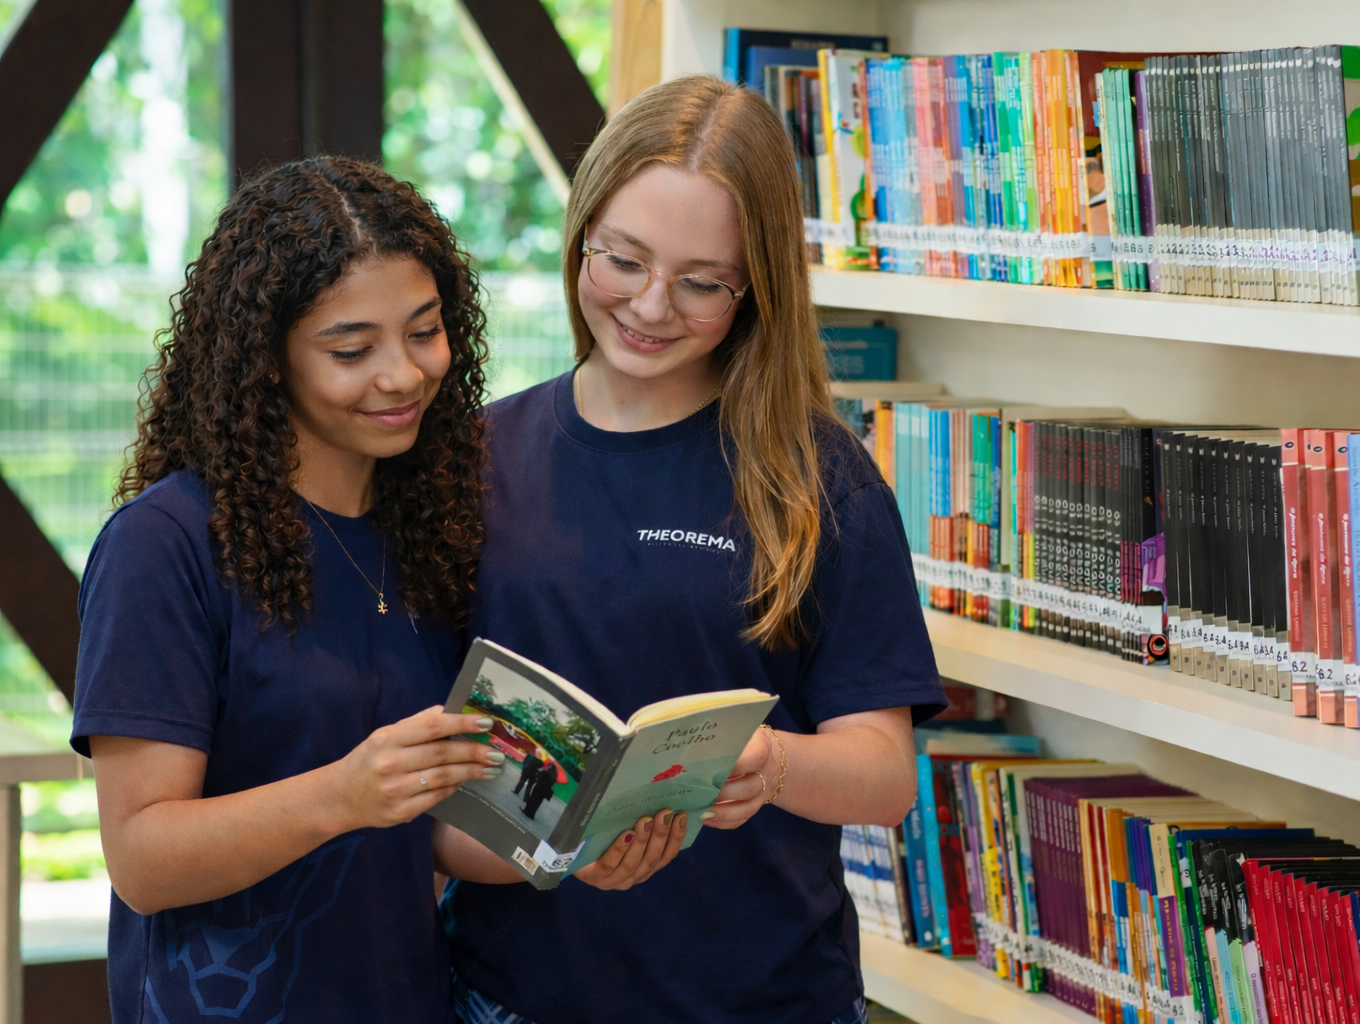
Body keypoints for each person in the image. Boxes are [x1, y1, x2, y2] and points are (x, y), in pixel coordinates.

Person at [435, 75, 946, 1024]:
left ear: (757, 289)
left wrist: (773, 766)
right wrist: (556, 848)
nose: (650, 305)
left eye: (703, 282)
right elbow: (426, 775)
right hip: (516, 994)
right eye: (622, 260)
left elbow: (883, 776)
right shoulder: (471, 463)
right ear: (581, 230)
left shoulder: (815, 476)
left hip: (762, 998)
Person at [70, 157, 505, 1023]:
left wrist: (576, 842)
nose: (403, 375)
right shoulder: (164, 547)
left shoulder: (432, 523)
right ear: (265, 360)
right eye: (352, 350)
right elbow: (144, 861)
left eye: (425, 331)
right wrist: (343, 794)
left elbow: (435, 830)